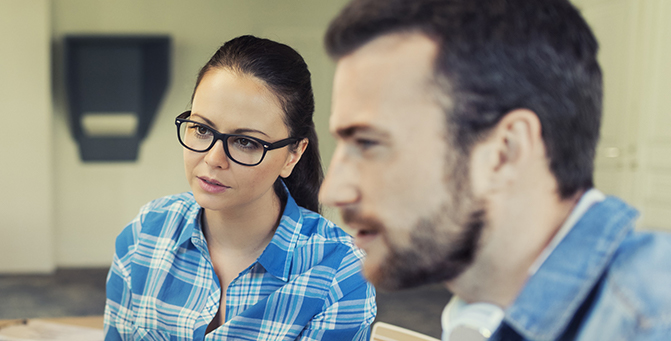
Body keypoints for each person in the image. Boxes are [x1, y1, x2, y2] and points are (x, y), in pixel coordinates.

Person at [320, 0, 671, 340]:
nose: (332, 191)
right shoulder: (483, 311)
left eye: (367, 143)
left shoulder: (653, 322)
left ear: (505, 152)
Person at [104, 35, 376, 341]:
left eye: (246, 142)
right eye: (202, 129)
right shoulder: (145, 234)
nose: (213, 158)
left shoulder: (341, 272)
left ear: (293, 154)